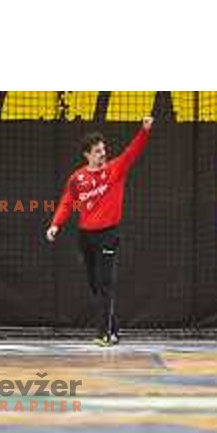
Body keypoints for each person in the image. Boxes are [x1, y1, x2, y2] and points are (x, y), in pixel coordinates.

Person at [46, 116, 153, 346]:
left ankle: (103, 334)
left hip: (108, 235)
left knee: (105, 284)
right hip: (85, 237)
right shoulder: (78, 178)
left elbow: (132, 151)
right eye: (97, 151)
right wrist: (55, 224)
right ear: (87, 154)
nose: (102, 154)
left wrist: (144, 131)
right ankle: (113, 329)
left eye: (103, 149)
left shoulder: (115, 169)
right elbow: (67, 202)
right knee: (95, 285)